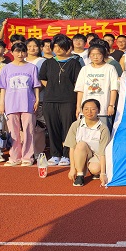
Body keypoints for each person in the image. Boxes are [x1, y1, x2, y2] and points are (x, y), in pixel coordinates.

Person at [39, 34, 83, 166]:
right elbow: (43, 79)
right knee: (52, 128)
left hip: (68, 100)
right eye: (55, 47)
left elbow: (78, 83)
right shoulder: (48, 62)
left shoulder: (74, 63)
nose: (58, 49)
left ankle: (66, 154)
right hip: (50, 100)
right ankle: (55, 154)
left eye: (61, 47)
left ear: (68, 48)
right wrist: (53, 88)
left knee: (68, 128)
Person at [0, 42, 41, 167]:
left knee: (28, 130)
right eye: (17, 51)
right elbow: (3, 87)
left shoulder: (32, 67)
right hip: (11, 103)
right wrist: (2, 103)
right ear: (12, 52)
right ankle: (14, 156)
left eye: (22, 51)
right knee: (13, 131)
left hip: (28, 102)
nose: (20, 54)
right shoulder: (6, 68)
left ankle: (27, 157)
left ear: (26, 53)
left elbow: (36, 86)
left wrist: (37, 99)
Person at [65, 99, 110, 187]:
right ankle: (80, 175)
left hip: (97, 155)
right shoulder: (76, 125)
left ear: (98, 111)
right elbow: (72, 148)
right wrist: (72, 168)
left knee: (96, 169)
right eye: (86, 109)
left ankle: (92, 170)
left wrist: (103, 173)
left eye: (93, 109)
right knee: (80, 145)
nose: (89, 112)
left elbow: (103, 152)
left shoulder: (103, 128)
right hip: (81, 152)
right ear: (82, 110)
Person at [75, 44, 119, 130]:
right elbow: (80, 90)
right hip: (86, 110)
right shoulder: (85, 69)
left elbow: (113, 89)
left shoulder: (110, 68)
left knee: (103, 131)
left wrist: (111, 105)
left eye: (98, 54)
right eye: (92, 54)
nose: (95, 57)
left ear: (103, 55)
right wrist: (78, 107)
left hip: (103, 108)